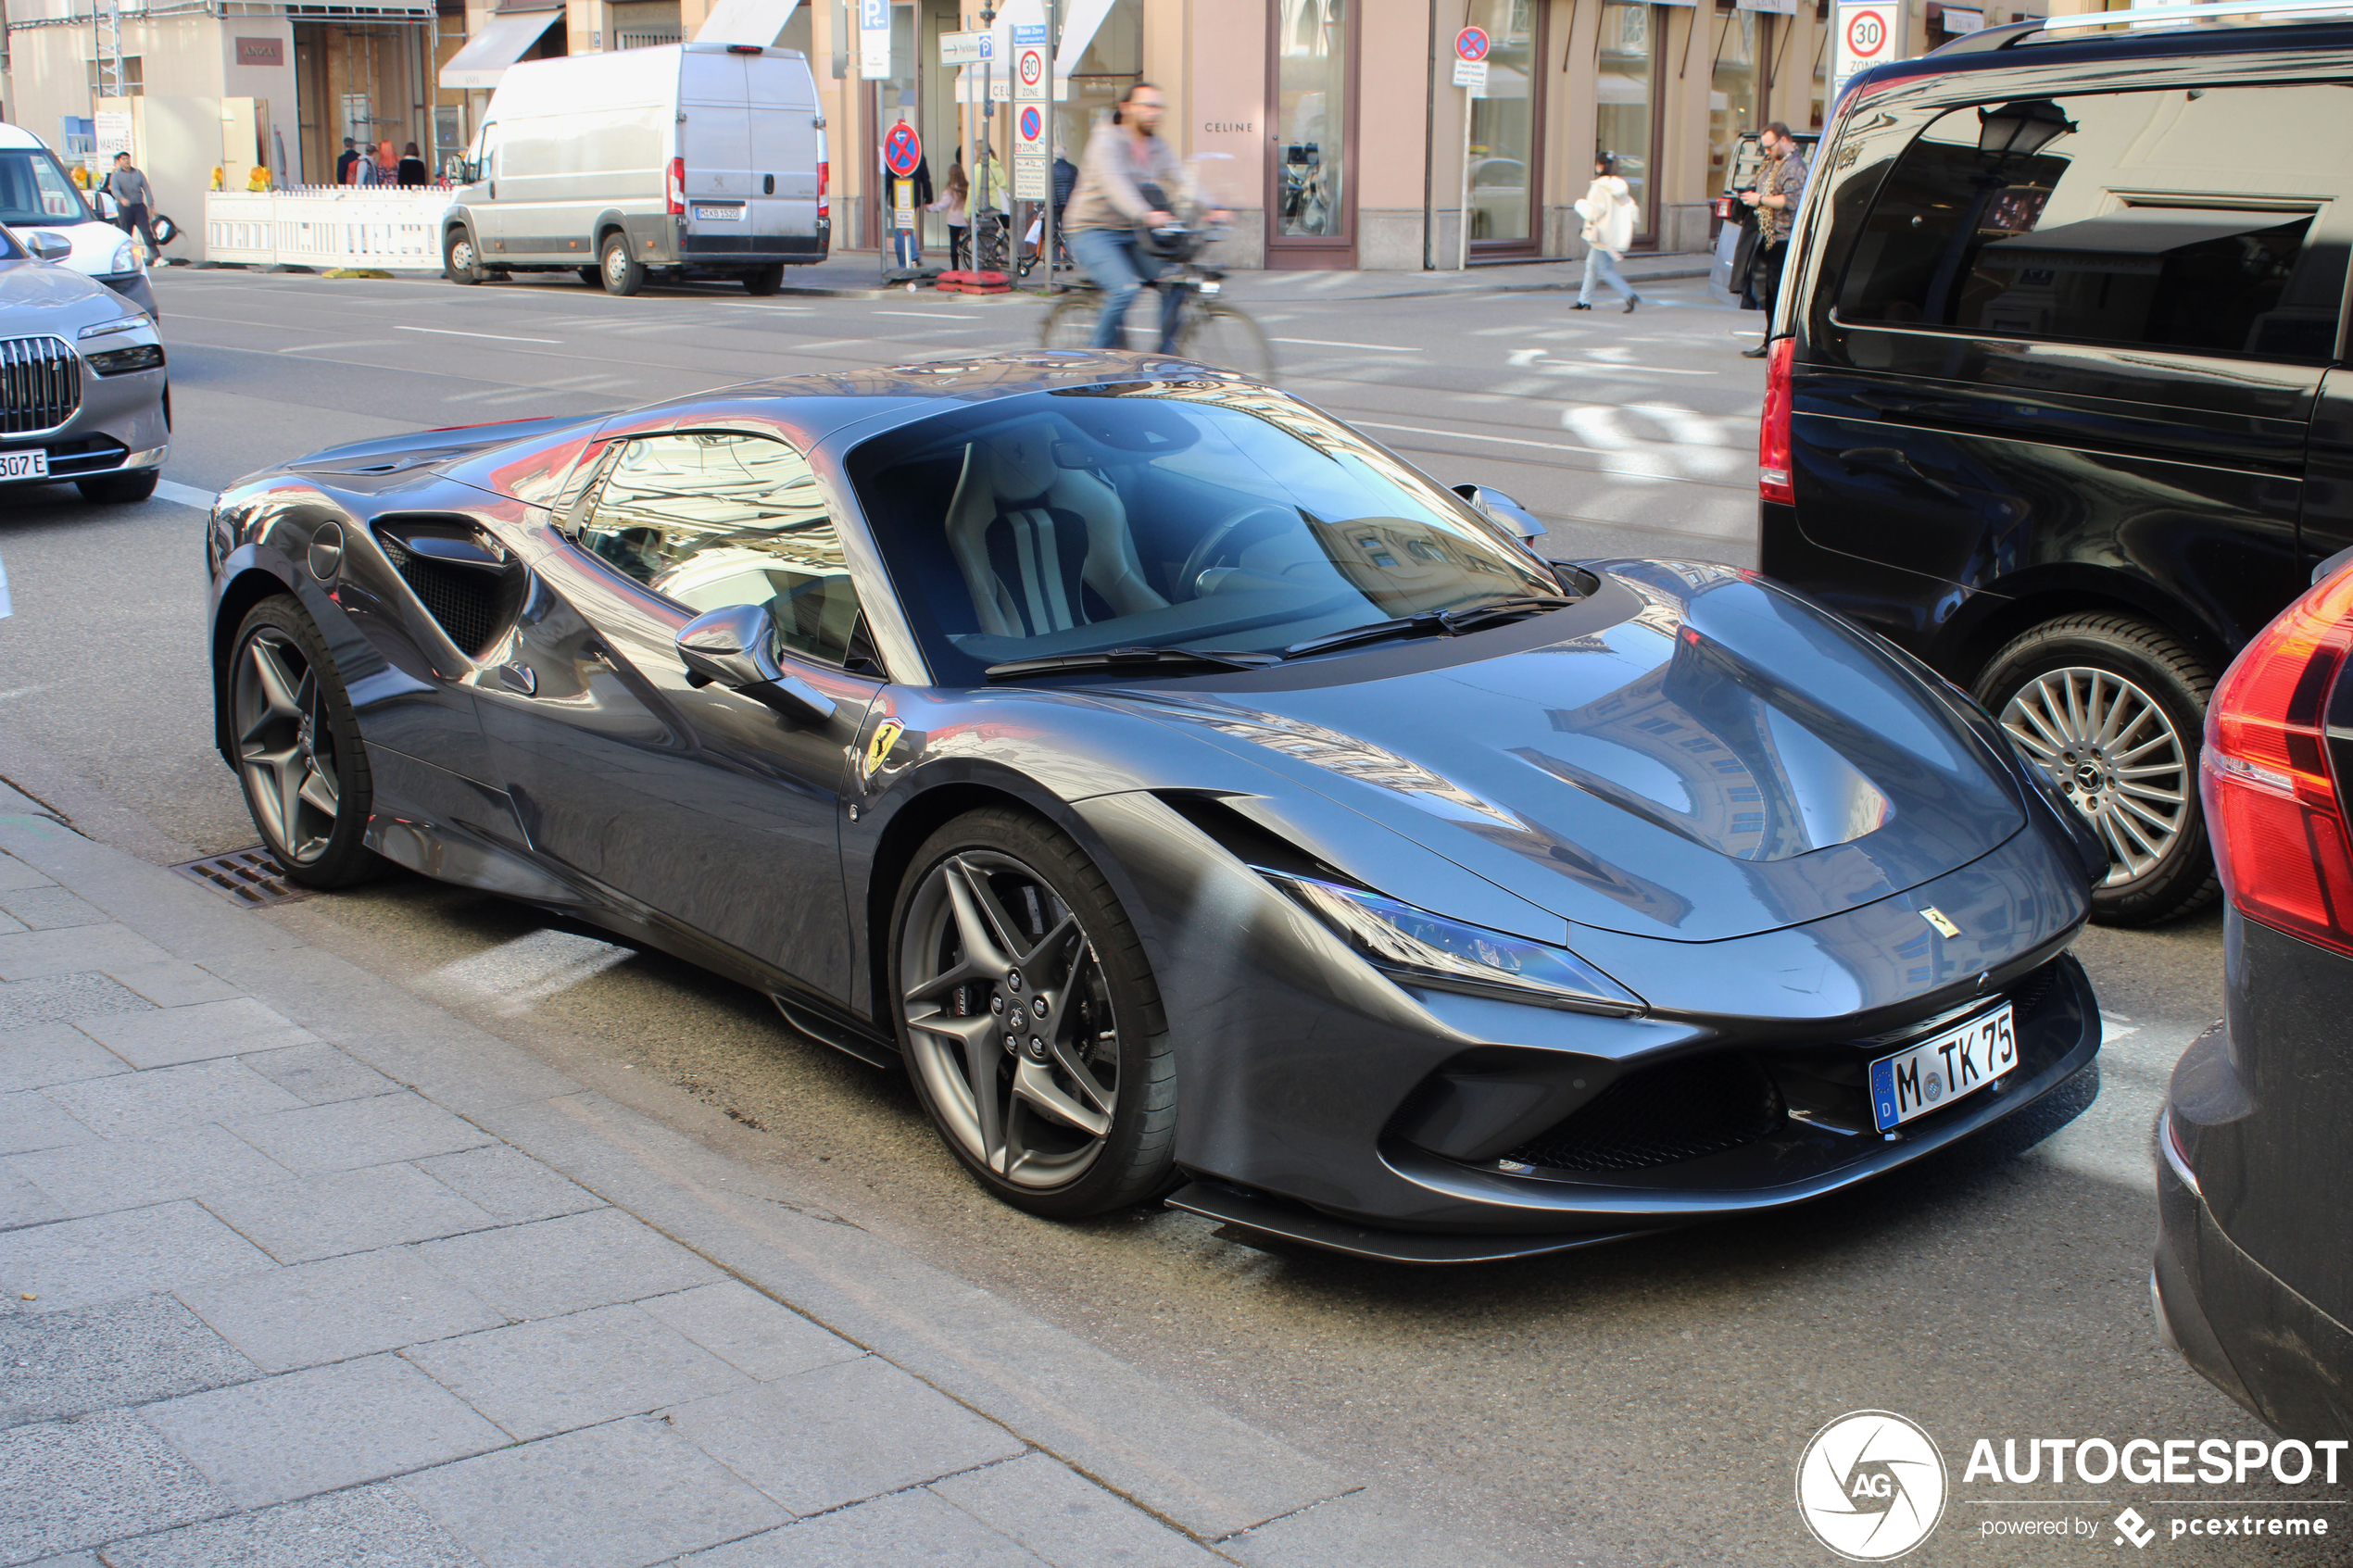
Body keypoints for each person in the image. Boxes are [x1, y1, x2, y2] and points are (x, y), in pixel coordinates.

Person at [1064, 82, 1226, 352]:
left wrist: (1211, 206)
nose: (1155, 113)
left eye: (1159, 107)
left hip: (1131, 230)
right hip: (1091, 230)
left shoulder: (1157, 145)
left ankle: (1165, 360)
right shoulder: (1106, 141)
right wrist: (1146, 213)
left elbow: (1181, 178)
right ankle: (1094, 359)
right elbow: (1114, 185)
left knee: (1176, 281)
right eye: (1147, 106)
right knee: (1125, 288)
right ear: (1127, 108)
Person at [1739, 121, 1808, 357]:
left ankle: (1777, 344)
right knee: (1767, 293)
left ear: (1783, 140)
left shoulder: (1795, 166)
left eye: (1770, 146)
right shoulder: (1774, 162)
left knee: (1778, 294)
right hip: (1768, 236)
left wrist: (1760, 199)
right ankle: (1770, 341)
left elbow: (1790, 202)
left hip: (1784, 237)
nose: (1767, 151)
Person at [1570, 154, 1640, 315]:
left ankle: (1629, 294)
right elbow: (1633, 210)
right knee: (1592, 266)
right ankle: (1584, 300)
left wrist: (1580, 205)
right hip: (1613, 234)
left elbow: (1594, 211)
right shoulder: (1621, 187)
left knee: (1604, 269)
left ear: (1601, 166)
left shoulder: (1599, 187)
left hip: (1601, 234)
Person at [100, 152, 160, 264]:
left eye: (128, 158)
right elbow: (115, 189)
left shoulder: (137, 173)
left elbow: (146, 188)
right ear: (119, 161)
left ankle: (157, 257)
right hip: (125, 208)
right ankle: (126, 259)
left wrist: (151, 205)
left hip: (139, 206)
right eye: (124, 159)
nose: (127, 161)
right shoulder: (116, 175)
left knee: (146, 231)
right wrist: (121, 198)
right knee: (126, 234)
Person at [927, 155, 970, 270]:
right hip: (966, 219)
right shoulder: (967, 187)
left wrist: (929, 208)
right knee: (968, 242)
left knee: (954, 244)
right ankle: (970, 264)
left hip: (954, 221)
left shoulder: (950, 190)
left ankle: (955, 268)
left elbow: (942, 205)